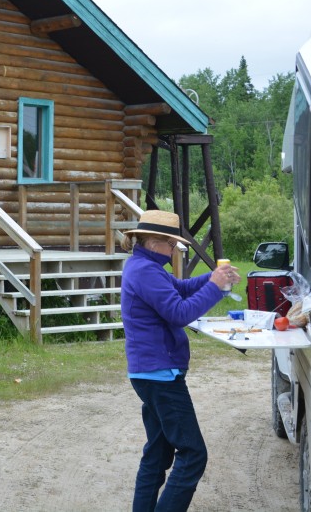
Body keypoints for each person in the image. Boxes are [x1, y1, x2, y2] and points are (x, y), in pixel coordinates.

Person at [120, 209, 239, 512]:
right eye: (171, 244)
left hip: (149, 373)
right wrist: (213, 286)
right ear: (153, 241)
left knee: (158, 455)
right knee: (193, 454)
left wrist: (215, 280)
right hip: (160, 374)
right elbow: (180, 313)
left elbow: (180, 289)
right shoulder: (145, 271)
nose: (174, 249)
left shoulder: (145, 266)